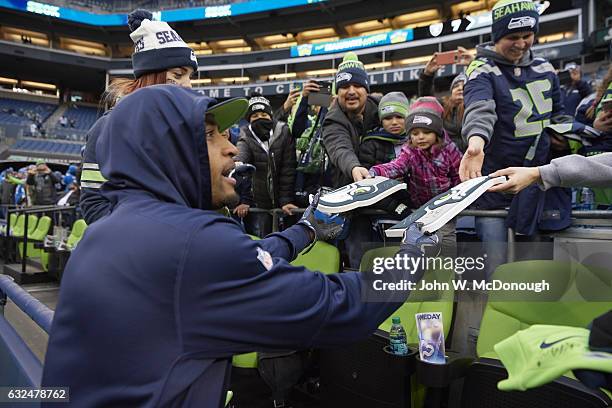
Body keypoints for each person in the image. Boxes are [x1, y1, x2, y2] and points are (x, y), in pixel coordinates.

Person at [41, 85, 439, 408]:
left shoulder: (109, 228)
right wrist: (411, 256)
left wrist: (307, 231)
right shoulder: (194, 243)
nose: (231, 148)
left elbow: (240, 263)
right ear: (164, 151)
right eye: (211, 136)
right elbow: (338, 306)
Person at [459, 0, 566, 276]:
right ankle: (494, 317)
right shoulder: (480, 69)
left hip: (535, 182)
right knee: (494, 264)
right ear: (497, 36)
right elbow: (480, 108)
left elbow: (560, 116)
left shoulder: (546, 68)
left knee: (532, 267)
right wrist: (476, 142)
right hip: (494, 184)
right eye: (512, 37)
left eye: (527, 35)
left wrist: (564, 138)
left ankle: (528, 318)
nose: (521, 44)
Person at [79, 8, 198, 224]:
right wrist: (139, 240)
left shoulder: (183, 128)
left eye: (190, 76)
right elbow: (93, 203)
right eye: (178, 75)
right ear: (152, 76)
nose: (188, 85)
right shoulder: (107, 127)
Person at [369, 105, 462, 256]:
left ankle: (447, 272)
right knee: (418, 241)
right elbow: (396, 166)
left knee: (446, 241)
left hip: (445, 207)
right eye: (415, 133)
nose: (420, 137)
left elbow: (458, 175)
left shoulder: (449, 150)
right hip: (420, 208)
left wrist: (457, 199)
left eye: (426, 132)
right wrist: (376, 171)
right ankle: (418, 273)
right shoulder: (410, 151)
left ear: (437, 133)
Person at [234, 93, 297, 237]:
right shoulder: (245, 135)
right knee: (264, 240)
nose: (260, 118)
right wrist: (237, 163)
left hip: (284, 202)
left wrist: (285, 200)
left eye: (264, 114)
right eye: (255, 116)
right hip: (260, 203)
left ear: (271, 115)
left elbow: (288, 170)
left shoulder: (284, 132)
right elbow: (241, 157)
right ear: (249, 119)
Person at [322, 52, 379, 187]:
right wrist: (354, 167)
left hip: (385, 186)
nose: (351, 91)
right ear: (338, 92)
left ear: (366, 90)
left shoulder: (381, 108)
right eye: (345, 87)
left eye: (357, 86)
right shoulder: (332, 119)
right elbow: (339, 148)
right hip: (347, 189)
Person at [419, 47, 473, 152]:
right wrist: (427, 75)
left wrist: (475, 64)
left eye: (465, 86)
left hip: (472, 157)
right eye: (456, 85)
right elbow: (426, 100)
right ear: (451, 91)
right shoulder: (442, 105)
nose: (460, 88)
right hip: (447, 159)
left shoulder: (476, 104)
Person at [359, 92, 410, 169]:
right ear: (381, 121)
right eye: (388, 118)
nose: (394, 122)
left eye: (399, 117)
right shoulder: (370, 144)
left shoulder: (415, 140)